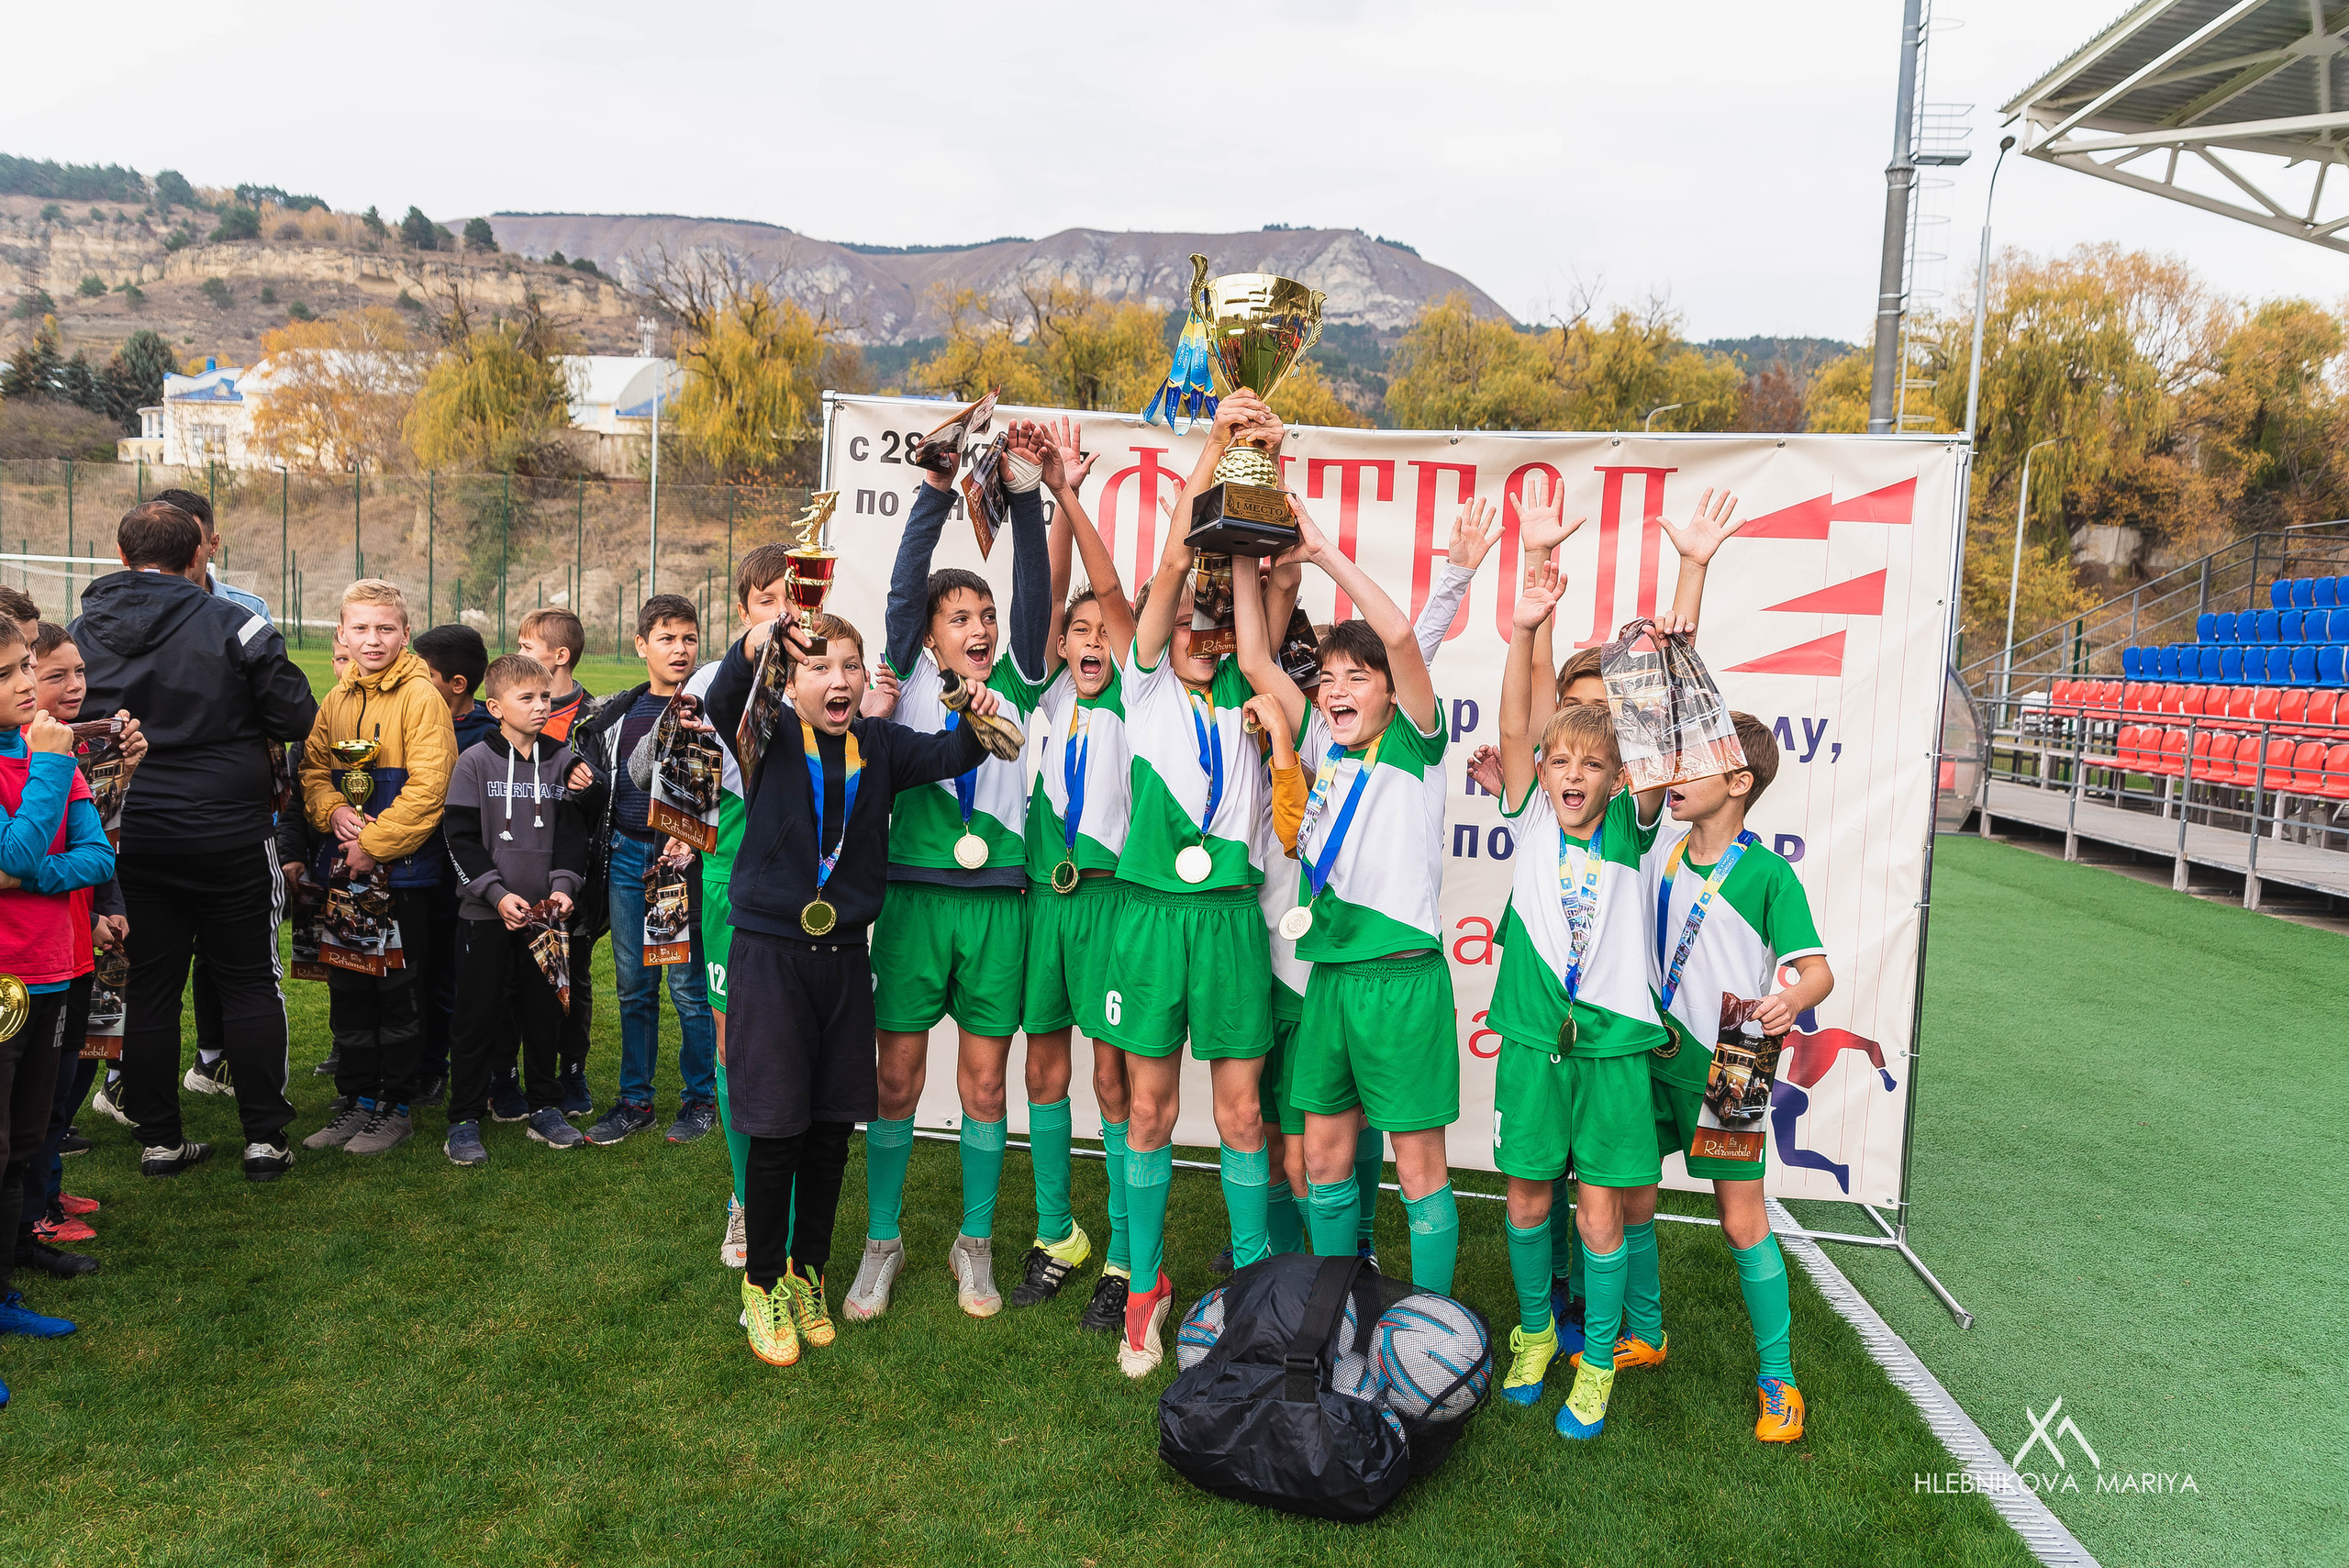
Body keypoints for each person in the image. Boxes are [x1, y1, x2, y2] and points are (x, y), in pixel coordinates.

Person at [701, 608, 998, 1367]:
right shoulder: (766, 735)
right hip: (771, 953)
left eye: (851, 665)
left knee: (832, 1127)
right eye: (819, 666)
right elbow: (723, 697)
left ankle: (808, 1273)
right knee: (777, 1128)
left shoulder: (881, 743)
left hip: (841, 956)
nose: (839, 680)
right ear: (790, 681)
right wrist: (757, 643)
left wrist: (975, 708)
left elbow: (953, 752)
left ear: (867, 677)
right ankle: (762, 1284)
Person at [1230, 487, 1463, 1304]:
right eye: (1326, 677)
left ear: (1391, 692)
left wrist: (1324, 553)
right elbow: (1255, 660)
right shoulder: (1325, 749)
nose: (1335, 689)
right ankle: (1333, 1317)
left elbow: (1398, 635)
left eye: (1355, 678)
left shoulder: (1416, 743)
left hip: (1401, 979)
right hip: (1329, 978)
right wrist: (1240, 550)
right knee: (1324, 1160)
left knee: (1419, 1168)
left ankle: (1433, 1332)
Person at [844, 417, 1052, 1325]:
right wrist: (935, 492)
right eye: (959, 618)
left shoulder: (1023, 676)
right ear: (929, 637)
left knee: (983, 1085)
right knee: (895, 1080)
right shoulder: (903, 674)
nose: (979, 627)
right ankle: (881, 1240)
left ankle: (975, 1240)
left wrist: (1026, 497)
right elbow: (904, 584)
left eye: (984, 617)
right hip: (914, 899)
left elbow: (1036, 589)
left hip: (996, 902)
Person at [1097, 392, 1286, 1377]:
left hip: (1226, 922)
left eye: (1210, 625)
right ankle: (1145, 1287)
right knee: (1150, 1113)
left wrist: (1262, 469)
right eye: (1184, 625)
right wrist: (1213, 446)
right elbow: (1175, 563)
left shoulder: (1254, 689)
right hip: (1148, 918)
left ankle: (1252, 1297)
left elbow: (1265, 581)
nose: (1199, 635)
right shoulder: (1140, 686)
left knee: (1244, 1115)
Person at [72, 501, 316, 1180]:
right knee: (248, 980)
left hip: (130, 833)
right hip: (229, 831)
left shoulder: (81, 629)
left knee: (149, 986)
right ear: (198, 555)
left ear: (122, 556)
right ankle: (264, 1139)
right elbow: (296, 714)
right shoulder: (236, 622)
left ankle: (160, 1138)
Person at [1488, 553, 1672, 1442]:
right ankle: (1534, 1334)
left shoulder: (1633, 830)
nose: (1571, 774)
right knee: (1528, 1199)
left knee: (1599, 1212)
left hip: (1610, 1047)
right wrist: (1525, 626)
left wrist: (1689, 575)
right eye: (1558, 760)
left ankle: (1596, 1359)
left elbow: (1656, 739)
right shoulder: (1529, 809)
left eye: (1591, 764)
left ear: (1616, 777)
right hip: (1533, 1036)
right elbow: (1514, 717)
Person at [1632, 712, 1832, 1442]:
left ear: (1739, 782)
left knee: (1741, 1219)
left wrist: (1792, 999)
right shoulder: (1658, 848)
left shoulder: (1770, 873)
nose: (1675, 774)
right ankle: (1646, 1332)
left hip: (1737, 1051)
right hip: (1648, 1041)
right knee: (1630, 1194)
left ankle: (1778, 1378)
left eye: (1693, 763)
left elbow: (1818, 972)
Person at [1007, 417, 1133, 1318]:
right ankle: (1059, 1231)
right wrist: (1057, 499)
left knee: (1112, 1078)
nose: (1087, 640)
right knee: (1042, 1069)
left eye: (1101, 632)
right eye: (1075, 631)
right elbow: (1047, 599)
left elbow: (1110, 598)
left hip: (1109, 903)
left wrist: (1073, 499)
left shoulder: (1136, 693)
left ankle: (1126, 1250)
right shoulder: (1046, 687)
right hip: (1042, 904)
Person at [296, 580, 457, 1159]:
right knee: (349, 988)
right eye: (360, 628)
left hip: (402, 875)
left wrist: (376, 844)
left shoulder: (422, 697)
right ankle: (357, 1099)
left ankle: (396, 1107)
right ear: (341, 634)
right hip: (346, 874)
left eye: (385, 628)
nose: (372, 639)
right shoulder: (336, 699)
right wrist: (333, 810)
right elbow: (312, 771)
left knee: (397, 993)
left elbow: (431, 788)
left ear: (405, 633)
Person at [0, 615, 117, 1367]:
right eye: (8, 673)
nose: (25, 683)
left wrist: (26, 875)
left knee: (26, 1137)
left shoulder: (48, 750)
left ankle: (7, 1283)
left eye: (23, 667)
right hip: (6, 977)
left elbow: (95, 855)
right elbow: (14, 847)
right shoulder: (48, 753)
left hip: (52, 970)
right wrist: (47, 765)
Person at [681, 546, 797, 1268]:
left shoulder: (830, 669)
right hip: (731, 875)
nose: (784, 610)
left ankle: (793, 1197)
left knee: (798, 1048)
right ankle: (746, 1198)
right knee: (735, 1046)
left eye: (794, 595)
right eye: (768, 599)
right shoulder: (708, 681)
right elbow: (669, 778)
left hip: (808, 883)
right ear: (745, 609)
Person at [568, 595, 718, 1147]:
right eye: (667, 638)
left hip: (679, 862)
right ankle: (635, 1101)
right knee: (634, 986)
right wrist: (587, 782)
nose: (680, 650)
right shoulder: (617, 714)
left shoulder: (709, 708)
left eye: (689, 638)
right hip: (628, 857)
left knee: (687, 987)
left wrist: (690, 840)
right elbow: (610, 784)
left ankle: (701, 1099)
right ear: (641, 645)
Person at [440, 654, 590, 1164]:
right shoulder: (473, 762)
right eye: (527, 698)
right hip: (486, 915)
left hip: (544, 918)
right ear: (496, 707)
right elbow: (459, 837)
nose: (540, 706)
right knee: (476, 1016)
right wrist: (496, 894)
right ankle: (464, 1118)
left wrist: (565, 887)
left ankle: (544, 1107)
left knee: (545, 1013)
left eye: (545, 696)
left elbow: (572, 834)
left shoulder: (562, 761)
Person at [25, 623, 144, 1249]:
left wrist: (123, 773)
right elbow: (33, 852)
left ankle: (44, 1185)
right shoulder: (32, 755)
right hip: (43, 944)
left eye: (80, 671)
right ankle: (34, 1202)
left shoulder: (76, 746)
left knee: (78, 1063)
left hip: (81, 931)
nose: (75, 685)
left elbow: (100, 841)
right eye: (54, 674)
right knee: (44, 1085)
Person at [411, 624, 500, 1113]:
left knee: (460, 980)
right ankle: (416, 1065)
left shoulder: (489, 733)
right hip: (418, 870)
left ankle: (446, 1071)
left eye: (424, 674)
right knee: (419, 975)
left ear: (457, 684)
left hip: (469, 880)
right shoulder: (411, 719)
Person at [515, 607, 596, 1118]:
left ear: (560, 656)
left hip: (571, 869)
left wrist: (587, 785)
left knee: (573, 973)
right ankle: (509, 1074)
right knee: (515, 978)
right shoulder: (507, 710)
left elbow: (608, 793)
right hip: (515, 864)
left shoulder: (595, 718)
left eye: (528, 647)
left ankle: (572, 1071)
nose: (519, 654)